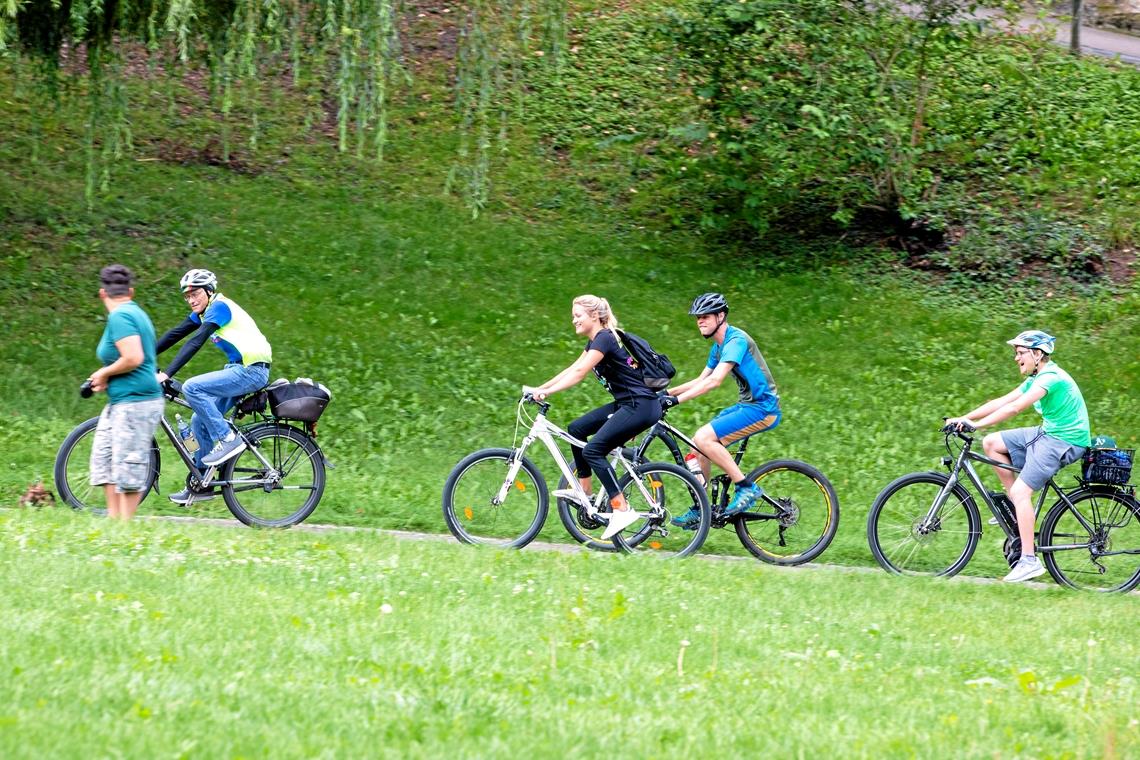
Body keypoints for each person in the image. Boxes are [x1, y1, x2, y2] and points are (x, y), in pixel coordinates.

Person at [945, 330, 1090, 583]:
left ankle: (1029, 561)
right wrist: (964, 418)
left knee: (1022, 491)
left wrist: (976, 426)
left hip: (1064, 441)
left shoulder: (1051, 377)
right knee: (992, 443)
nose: (1016, 358)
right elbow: (1001, 401)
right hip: (1048, 434)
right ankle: (1017, 510)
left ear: (1037, 354)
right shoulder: (1037, 378)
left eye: (1020, 353)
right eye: (1016, 353)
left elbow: (1015, 407)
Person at [526, 295, 662, 540]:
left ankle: (622, 508)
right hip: (628, 404)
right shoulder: (595, 341)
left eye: (578, 315)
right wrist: (538, 388)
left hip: (640, 406)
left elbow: (579, 374)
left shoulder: (605, 338)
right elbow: (571, 368)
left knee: (592, 451)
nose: (573, 319)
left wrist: (546, 392)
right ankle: (585, 493)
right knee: (576, 429)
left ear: (594, 316)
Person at [660, 293, 781, 527]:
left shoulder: (736, 341)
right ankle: (702, 508)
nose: (700, 322)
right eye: (697, 318)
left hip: (763, 408)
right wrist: (666, 394)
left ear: (721, 316)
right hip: (749, 405)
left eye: (705, 317)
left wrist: (677, 401)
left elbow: (715, 381)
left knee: (704, 437)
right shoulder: (718, 347)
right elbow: (700, 380)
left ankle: (746, 487)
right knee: (698, 444)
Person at [155, 269, 272, 503]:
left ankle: (228, 439)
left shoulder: (220, 307)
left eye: (195, 293)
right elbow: (175, 334)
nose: (191, 300)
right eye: (187, 296)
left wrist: (167, 373)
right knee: (199, 420)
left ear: (209, 291)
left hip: (252, 370)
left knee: (192, 388)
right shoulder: (205, 311)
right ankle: (202, 485)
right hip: (238, 369)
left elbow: (196, 341)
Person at [87, 264, 165, 520]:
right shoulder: (133, 313)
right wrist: (110, 377)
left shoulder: (121, 316)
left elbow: (133, 357)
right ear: (130, 292)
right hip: (121, 401)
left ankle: (125, 528)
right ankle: (114, 520)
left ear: (102, 294)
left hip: (137, 403)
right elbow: (134, 360)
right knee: (106, 458)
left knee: (128, 464)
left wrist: (103, 373)